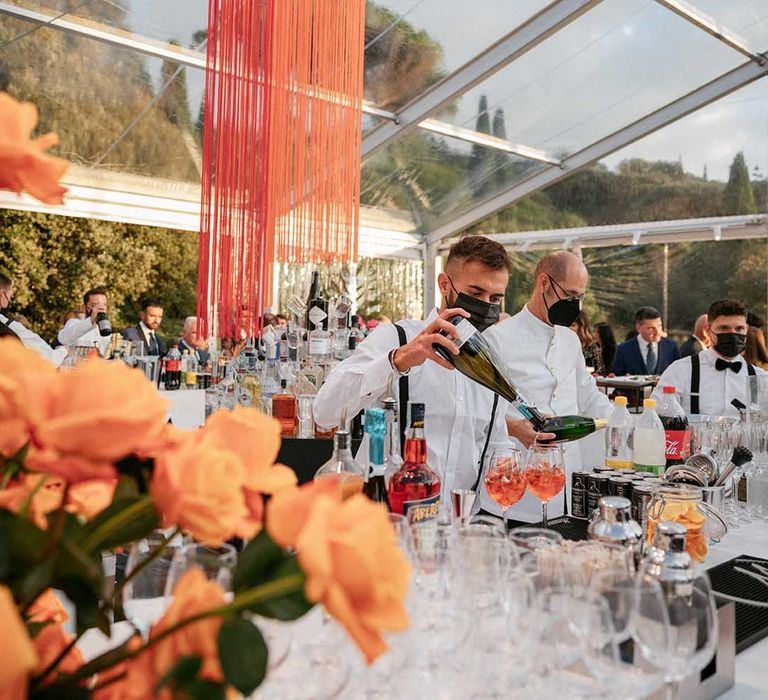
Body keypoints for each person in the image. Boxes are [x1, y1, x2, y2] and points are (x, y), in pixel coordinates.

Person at [314, 235, 514, 508]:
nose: (486, 305)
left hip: (455, 528)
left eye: (495, 298)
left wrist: (509, 463)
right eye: (476, 293)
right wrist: (398, 360)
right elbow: (324, 413)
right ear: (445, 285)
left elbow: (494, 443)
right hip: (386, 524)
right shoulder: (396, 337)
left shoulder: (495, 360)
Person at [484, 251, 611, 521]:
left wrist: (626, 422)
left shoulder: (571, 341)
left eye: (581, 297)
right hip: (515, 488)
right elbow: (480, 409)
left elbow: (587, 394)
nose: (575, 304)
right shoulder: (498, 339)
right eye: (570, 294)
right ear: (544, 283)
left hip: (566, 484)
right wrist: (515, 428)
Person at [652, 299, 765, 417]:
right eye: (723, 328)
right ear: (708, 330)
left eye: (739, 329)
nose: (732, 334)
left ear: (746, 329)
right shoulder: (680, 371)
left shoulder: (759, 377)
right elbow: (656, 414)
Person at [0, 272, 67, 365]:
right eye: (10, 297)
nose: (9, 302)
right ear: (2, 294)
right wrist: (64, 350)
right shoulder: (8, 326)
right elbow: (49, 360)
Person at [612, 306, 680, 376]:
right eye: (651, 328)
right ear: (638, 327)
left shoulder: (671, 347)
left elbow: (678, 375)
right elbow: (617, 378)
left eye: (659, 326)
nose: (658, 332)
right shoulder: (624, 349)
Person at [57, 287, 112, 356]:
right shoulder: (74, 323)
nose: (99, 309)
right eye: (94, 305)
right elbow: (63, 338)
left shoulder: (108, 333)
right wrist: (91, 320)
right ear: (83, 308)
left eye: (103, 305)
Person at [570, 310, 605, 375]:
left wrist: (596, 373)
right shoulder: (561, 345)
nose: (568, 328)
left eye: (573, 325)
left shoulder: (591, 347)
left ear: (581, 328)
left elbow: (600, 369)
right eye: (566, 325)